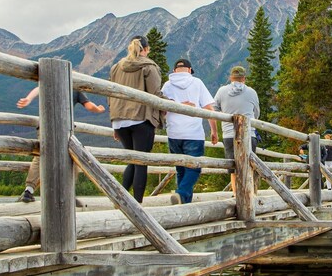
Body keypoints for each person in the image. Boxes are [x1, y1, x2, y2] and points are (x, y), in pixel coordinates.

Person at [15, 86, 105, 203]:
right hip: (64, 128)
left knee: (40, 157)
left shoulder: (50, 80)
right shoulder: (74, 87)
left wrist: (28, 98)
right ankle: (69, 193)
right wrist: (98, 109)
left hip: (45, 126)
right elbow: (89, 106)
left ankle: (29, 190)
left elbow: (38, 88)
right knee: (71, 158)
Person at [109, 35, 164, 202]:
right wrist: (169, 105)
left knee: (132, 160)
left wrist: (113, 122)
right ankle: (137, 203)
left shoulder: (116, 67)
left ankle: (122, 199)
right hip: (141, 117)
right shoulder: (148, 67)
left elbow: (110, 93)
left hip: (119, 119)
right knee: (141, 161)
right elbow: (155, 94)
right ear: (146, 50)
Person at [161, 58, 219, 204]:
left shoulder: (167, 85)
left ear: (174, 71)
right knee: (194, 168)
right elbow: (208, 109)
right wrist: (214, 131)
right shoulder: (196, 82)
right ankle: (181, 193)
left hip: (174, 133)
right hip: (193, 133)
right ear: (189, 70)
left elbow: (162, 108)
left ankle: (184, 204)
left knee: (181, 169)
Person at [213, 65, 260, 193]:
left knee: (233, 167)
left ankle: (235, 194)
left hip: (229, 134)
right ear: (244, 78)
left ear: (231, 77)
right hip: (249, 133)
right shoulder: (251, 92)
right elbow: (256, 113)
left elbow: (214, 108)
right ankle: (251, 194)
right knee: (250, 165)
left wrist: (225, 116)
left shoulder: (222, 91)